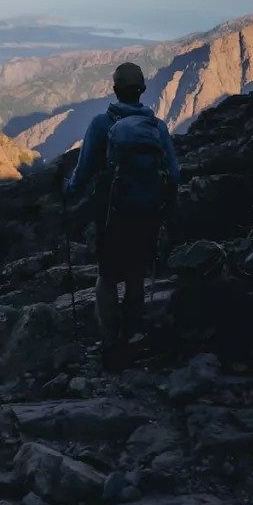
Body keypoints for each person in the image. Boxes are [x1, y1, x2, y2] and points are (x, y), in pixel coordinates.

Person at [65, 61, 179, 367]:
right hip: (147, 214)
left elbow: (84, 169)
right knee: (135, 277)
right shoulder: (158, 127)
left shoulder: (103, 123)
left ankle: (110, 343)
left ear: (115, 90)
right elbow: (175, 173)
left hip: (112, 215)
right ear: (141, 90)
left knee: (106, 278)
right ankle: (131, 338)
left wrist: (68, 191)